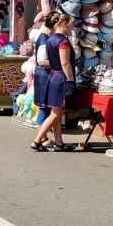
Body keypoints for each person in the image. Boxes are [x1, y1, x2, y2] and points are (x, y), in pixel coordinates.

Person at [30, 12, 77, 151]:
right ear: (65, 24)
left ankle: (59, 143)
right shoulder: (63, 41)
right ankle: (37, 140)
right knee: (56, 112)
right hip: (61, 79)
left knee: (58, 112)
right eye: (71, 26)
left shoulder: (50, 39)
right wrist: (70, 80)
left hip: (53, 77)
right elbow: (65, 63)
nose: (72, 29)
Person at [32, 11, 61, 145]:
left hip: (44, 74)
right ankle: (41, 137)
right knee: (44, 107)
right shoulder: (44, 39)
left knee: (45, 107)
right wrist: (58, 63)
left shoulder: (46, 36)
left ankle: (43, 137)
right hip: (43, 74)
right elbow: (42, 60)